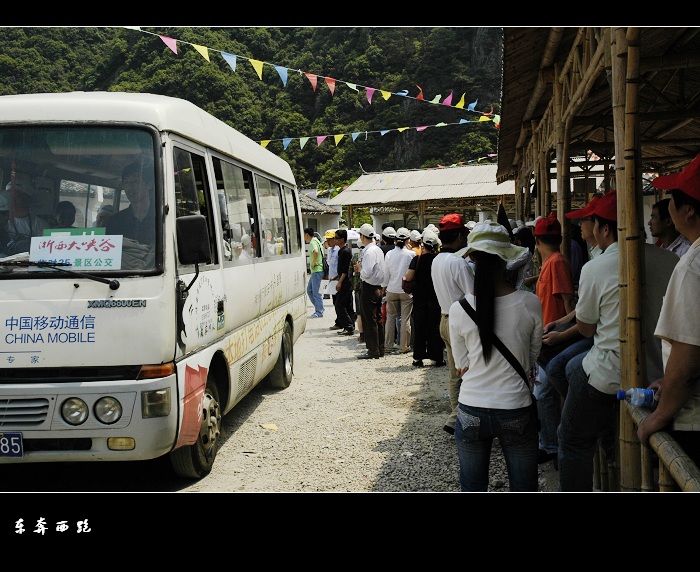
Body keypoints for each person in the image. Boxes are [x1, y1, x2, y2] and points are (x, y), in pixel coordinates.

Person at [449, 221, 543, 491]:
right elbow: (531, 356)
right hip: (515, 406)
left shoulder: (459, 309)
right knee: (524, 486)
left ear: (472, 259)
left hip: (471, 407)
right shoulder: (529, 303)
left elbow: (462, 366)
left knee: (472, 486)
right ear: (506, 260)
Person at [558, 190, 621, 491]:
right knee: (568, 367)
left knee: (570, 439)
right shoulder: (669, 258)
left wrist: (562, 329)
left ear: (604, 228)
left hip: (610, 368)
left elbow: (585, 328)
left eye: (588, 221)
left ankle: (601, 437)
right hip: (656, 364)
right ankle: (606, 437)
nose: (584, 227)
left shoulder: (596, 266)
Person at [638, 155, 700, 465]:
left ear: (688, 210)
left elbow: (687, 355)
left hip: (694, 417)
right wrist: (670, 380)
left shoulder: (692, 267)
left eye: (672, 200)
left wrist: (660, 414)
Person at [532, 211, 576, 467]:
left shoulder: (557, 262)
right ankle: (549, 444)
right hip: (550, 336)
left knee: (544, 393)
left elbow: (568, 300)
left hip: (556, 339)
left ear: (537, 241)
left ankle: (553, 446)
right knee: (544, 393)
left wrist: (566, 332)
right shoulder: (552, 261)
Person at [432, 213, 474, 435]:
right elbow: (472, 295)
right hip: (461, 322)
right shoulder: (458, 262)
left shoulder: (437, 260)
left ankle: (456, 416)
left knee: (454, 372)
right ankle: (458, 417)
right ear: (459, 236)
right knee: (468, 370)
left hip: (444, 318)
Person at [405, 230, 444, 367]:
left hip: (419, 298)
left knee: (420, 327)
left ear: (423, 245)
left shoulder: (417, 260)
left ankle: (418, 358)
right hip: (435, 297)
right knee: (435, 328)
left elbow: (408, 277)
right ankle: (437, 357)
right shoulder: (438, 260)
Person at [383, 227, 415, 354]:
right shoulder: (411, 254)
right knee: (405, 319)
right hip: (406, 290)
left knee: (390, 318)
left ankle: (388, 345)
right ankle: (404, 346)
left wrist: (384, 287)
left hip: (392, 288)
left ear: (395, 240)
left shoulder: (389, 254)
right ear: (408, 240)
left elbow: (386, 273)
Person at [106, 161, 155, 244]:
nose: (129, 188)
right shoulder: (115, 221)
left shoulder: (163, 216)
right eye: (126, 183)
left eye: (135, 182)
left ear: (149, 184)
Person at [356, 223, 386, 360]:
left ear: (362, 236)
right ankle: (380, 348)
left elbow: (367, 272)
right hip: (378, 286)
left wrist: (360, 270)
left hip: (369, 287)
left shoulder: (368, 252)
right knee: (378, 319)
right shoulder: (378, 249)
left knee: (369, 320)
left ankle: (373, 350)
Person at [4, 178, 48, 254]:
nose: (12, 200)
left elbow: (45, 250)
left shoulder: (40, 225)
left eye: (17, 197)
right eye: (9, 197)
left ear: (27, 199)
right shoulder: (3, 221)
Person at [332, 229, 356, 336]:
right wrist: (336, 277)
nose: (334, 240)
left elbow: (346, 270)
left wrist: (340, 282)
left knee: (339, 304)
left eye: (336, 238)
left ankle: (348, 326)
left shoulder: (345, 252)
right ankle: (351, 324)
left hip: (346, 282)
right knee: (347, 304)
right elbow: (342, 269)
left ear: (342, 239)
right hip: (344, 279)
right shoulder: (341, 251)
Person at [304, 227, 325, 318]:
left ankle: (319, 311)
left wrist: (313, 262)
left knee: (316, 292)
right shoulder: (317, 241)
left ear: (307, 234)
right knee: (309, 290)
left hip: (317, 270)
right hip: (316, 271)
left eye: (304, 234)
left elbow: (315, 252)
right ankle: (319, 307)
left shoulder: (313, 242)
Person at [350, 239, 365, 343]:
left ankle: (362, 334)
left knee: (359, 312)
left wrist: (353, 283)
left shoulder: (355, 257)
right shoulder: (370, 254)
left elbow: (349, 272)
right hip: (369, 285)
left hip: (358, 286)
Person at [324, 229, 338, 301]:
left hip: (338, 280)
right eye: (327, 240)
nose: (328, 242)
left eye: (329, 240)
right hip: (332, 280)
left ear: (334, 239)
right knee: (335, 301)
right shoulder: (329, 250)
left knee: (339, 302)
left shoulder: (338, 250)